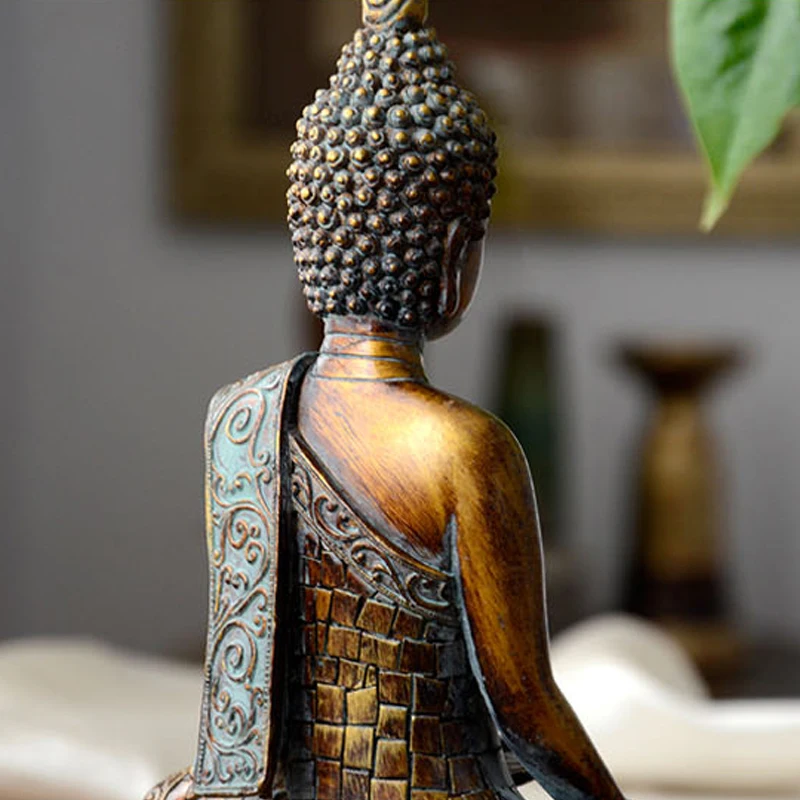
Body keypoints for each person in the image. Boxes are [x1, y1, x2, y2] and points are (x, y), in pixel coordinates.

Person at [146, 2, 625, 799]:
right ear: (454, 256)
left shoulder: (241, 419)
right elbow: (524, 709)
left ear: (310, 236)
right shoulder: (466, 448)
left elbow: (242, 709)